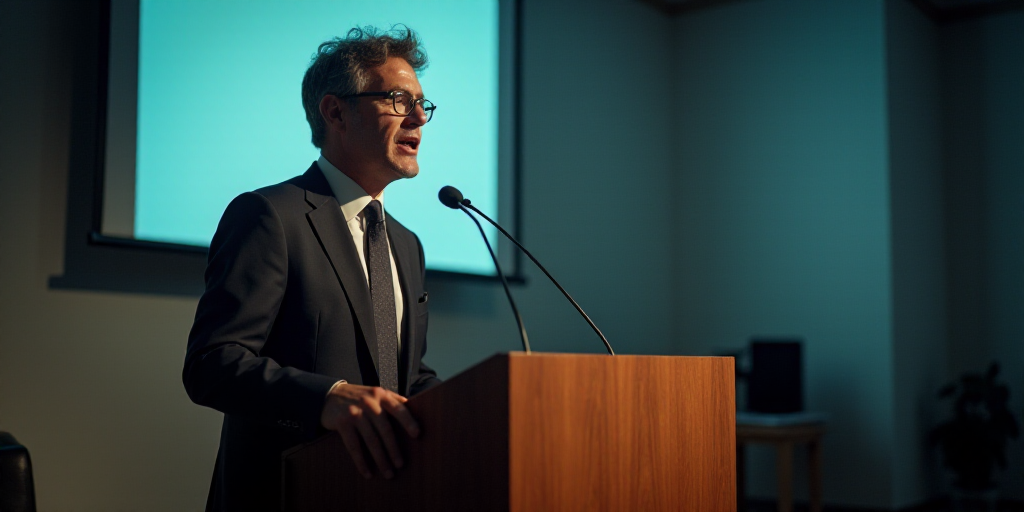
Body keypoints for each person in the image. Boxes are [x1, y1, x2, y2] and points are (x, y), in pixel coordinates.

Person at [182, 26, 442, 512]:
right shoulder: (269, 216)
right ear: (335, 111)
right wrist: (328, 397)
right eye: (398, 100)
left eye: (423, 104)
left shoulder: (407, 245)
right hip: (285, 493)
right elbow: (212, 364)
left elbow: (406, 378)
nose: (419, 118)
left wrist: (480, 411)